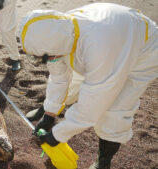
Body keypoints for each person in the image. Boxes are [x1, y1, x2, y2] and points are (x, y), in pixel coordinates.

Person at [19, 3, 158, 169]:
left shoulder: (97, 48)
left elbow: (92, 104)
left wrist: (57, 135)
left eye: (44, 57)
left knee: (114, 111)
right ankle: (47, 110)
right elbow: (58, 77)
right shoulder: (58, 31)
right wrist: (49, 115)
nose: (44, 61)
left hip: (142, 48)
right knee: (72, 88)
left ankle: (103, 162)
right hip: (107, 37)